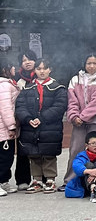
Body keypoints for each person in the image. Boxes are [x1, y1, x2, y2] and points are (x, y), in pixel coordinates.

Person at [15, 57, 68, 193]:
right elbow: (20, 106)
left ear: (50, 69)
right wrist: (27, 119)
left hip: (50, 127)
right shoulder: (27, 88)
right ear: (35, 70)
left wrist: (42, 118)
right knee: (33, 154)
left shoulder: (58, 88)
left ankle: (50, 180)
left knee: (49, 154)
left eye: (45, 68)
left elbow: (60, 106)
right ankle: (37, 180)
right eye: (39, 69)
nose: (42, 71)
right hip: (30, 127)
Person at [63, 53, 96, 190]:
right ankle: (70, 180)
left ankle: (94, 180)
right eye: (89, 63)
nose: (92, 66)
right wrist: (74, 116)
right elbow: (72, 101)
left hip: (94, 121)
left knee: (95, 150)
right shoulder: (75, 80)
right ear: (84, 64)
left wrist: (82, 117)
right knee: (76, 150)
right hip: (78, 122)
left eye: (95, 63)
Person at [12, 49, 38, 191]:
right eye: (24, 60)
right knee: (22, 148)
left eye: (30, 59)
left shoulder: (40, 76)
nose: (27, 62)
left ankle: (40, 178)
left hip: (38, 118)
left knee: (40, 148)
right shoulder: (17, 80)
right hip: (22, 117)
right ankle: (22, 179)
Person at [0, 58, 20, 196]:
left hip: (4, 128)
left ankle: (4, 181)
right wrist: (11, 126)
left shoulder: (8, 84)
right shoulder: (4, 85)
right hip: (4, 129)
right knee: (4, 157)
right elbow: (6, 108)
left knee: (7, 157)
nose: (14, 68)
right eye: (11, 66)